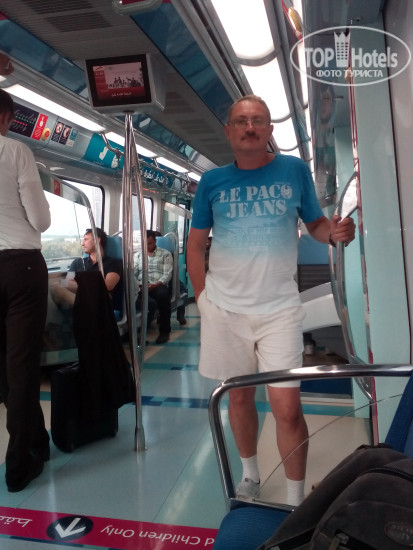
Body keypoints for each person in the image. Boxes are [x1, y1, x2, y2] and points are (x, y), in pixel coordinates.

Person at [187, 94, 355, 506]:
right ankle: (250, 475)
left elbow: (315, 224)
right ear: (229, 131)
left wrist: (333, 234)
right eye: (241, 121)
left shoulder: (293, 170)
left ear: (269, 129)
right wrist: (203, 299)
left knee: (287, 408)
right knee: (239, 397)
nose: (250, 127)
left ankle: (296, 500)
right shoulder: (212, 182)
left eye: (258, 120)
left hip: (279, 309)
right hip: (225, 309)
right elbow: (195, 245)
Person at [0, 88, 51, 492]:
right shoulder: (16, 151)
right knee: (22, 366)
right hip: (21, 266)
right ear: (6, 117)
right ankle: (18, 466)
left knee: (4, 367)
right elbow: (40, 219)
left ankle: (37, 441)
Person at [51, 228, 123, 313]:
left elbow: (108, 285)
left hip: (101, 302)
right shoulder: (77, 262)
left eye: (86, 239)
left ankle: (84, 309)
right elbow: (66, 282)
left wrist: (78, 284)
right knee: (56, 286)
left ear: (97, 240)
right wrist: (93, 286)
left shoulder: (114, 263)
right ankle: (85, 308)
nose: (82, 244)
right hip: (81, 298)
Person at [134, 230, 173, 344]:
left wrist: (155, 285)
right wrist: (138, 284)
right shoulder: (138, 255)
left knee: (163, 296)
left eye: (150, 243)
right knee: (131, 296)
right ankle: (134, 331)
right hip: (141, 285)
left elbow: (167, 274)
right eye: (144, 244)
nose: (147, 246)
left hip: (157, 284)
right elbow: (133, 273)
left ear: (155, 241)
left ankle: (164, 331)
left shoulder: (165, 254)